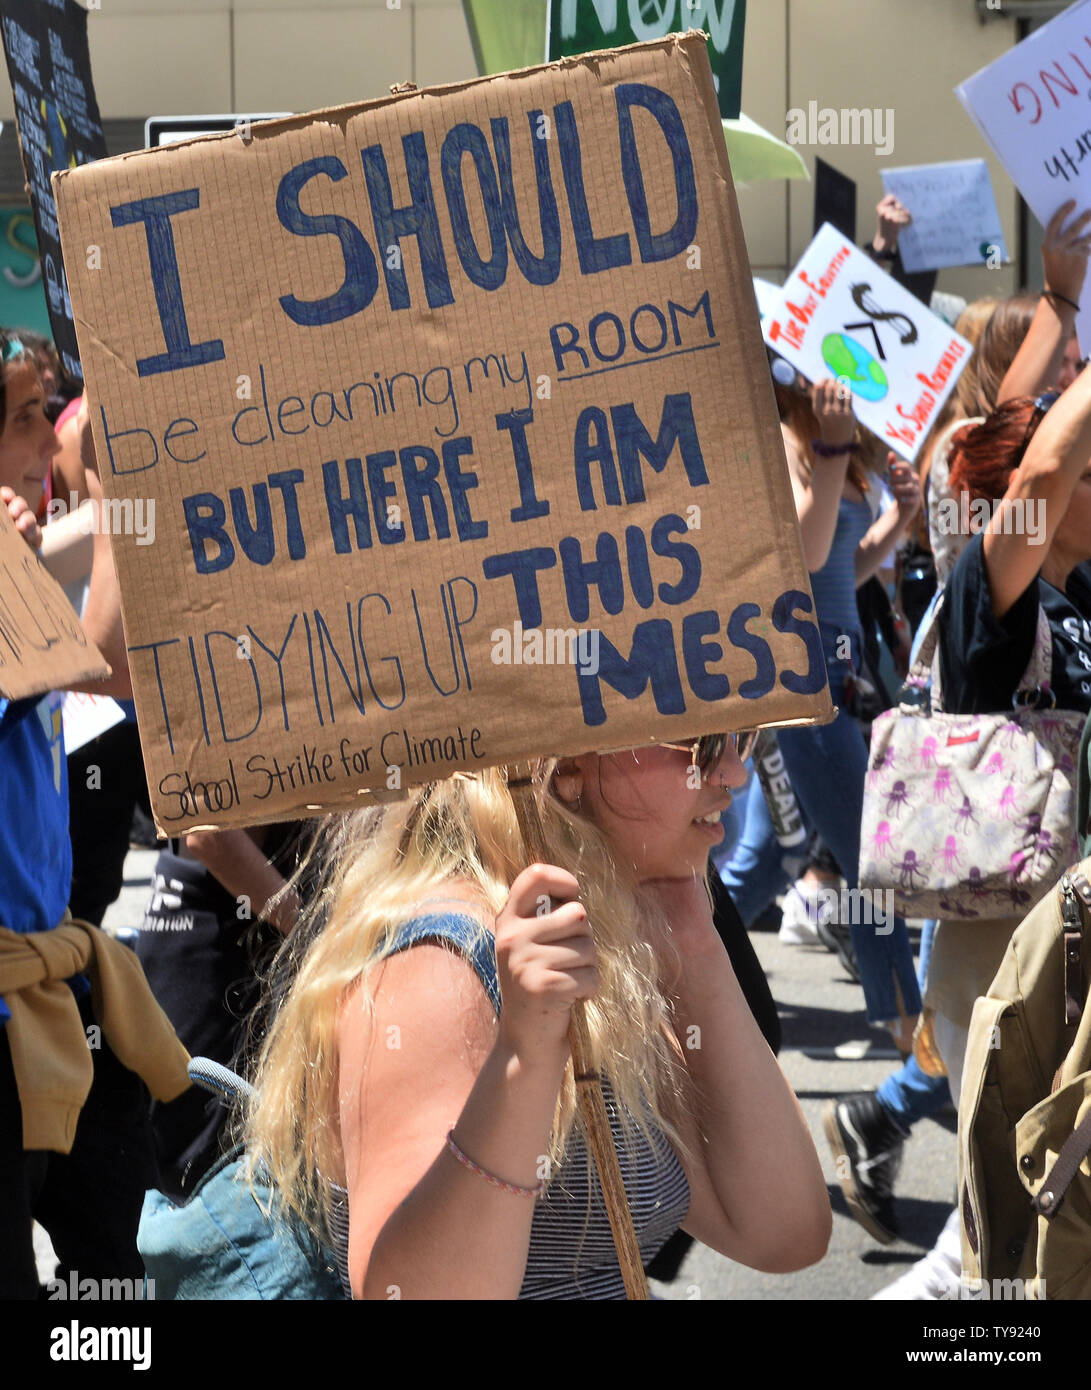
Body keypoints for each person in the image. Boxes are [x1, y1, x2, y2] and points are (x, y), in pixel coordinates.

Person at [245, 737, 832, 1299]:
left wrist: (696, 941)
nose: (733, 771)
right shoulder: (443, 960)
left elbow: (783, 1232)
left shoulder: (614, 929)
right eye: (699, 742)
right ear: (568, 761)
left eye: (741, 735)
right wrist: (524, 1056)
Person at [0, 332, 190, 1298]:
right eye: (28, 416)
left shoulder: (16, 551)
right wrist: (127, 476)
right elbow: (102, 666)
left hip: (59, 1002)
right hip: (9, 1026)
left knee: (114, 1272)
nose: (48, 438)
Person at [720, 374, 924, 1047]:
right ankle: (904, 1020)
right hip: (797, 682)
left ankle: (683, 975)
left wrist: (900, 516)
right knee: (866, 853)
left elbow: (844, 566)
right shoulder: (780, 439)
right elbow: (801, 556)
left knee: (766, 860)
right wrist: (834, 449)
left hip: (836, 677)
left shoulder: (834, 448)